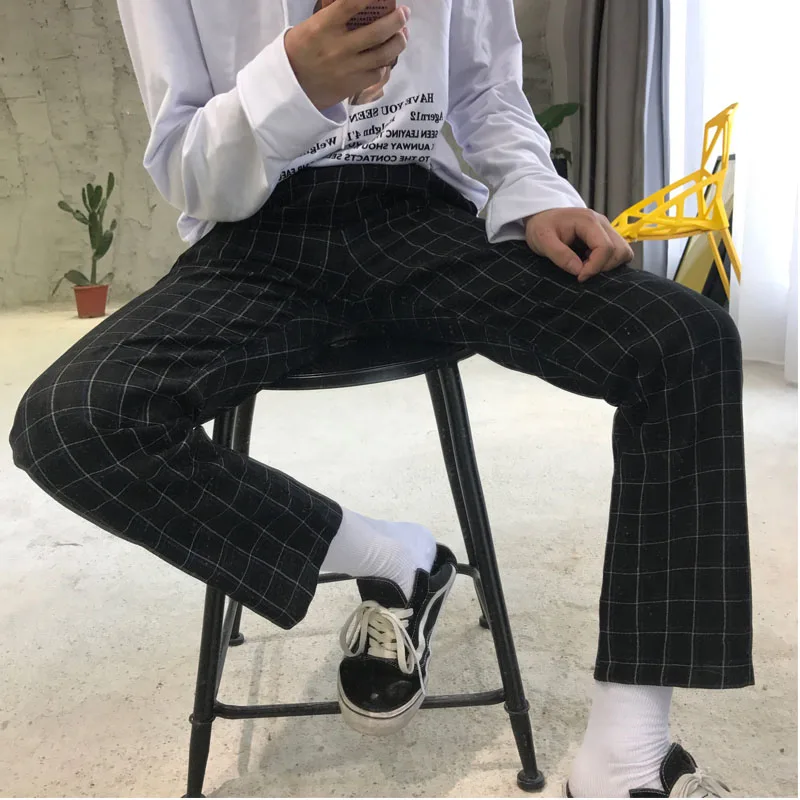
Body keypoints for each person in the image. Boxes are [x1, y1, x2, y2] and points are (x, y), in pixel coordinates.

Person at [10, 0, 752, 796]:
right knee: (72, 423)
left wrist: (537, 190)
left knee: (685, 341)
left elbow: (485, 91)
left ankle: (627, 761)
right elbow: (188, 167)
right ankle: (396, 558)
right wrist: (292, 82)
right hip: (255, 234)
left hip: (416, 215)